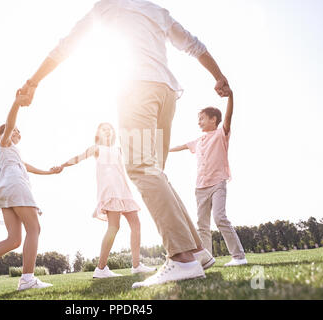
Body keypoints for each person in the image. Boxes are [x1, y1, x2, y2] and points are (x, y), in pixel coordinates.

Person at [20, 0, 231, 288]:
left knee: (141, 168)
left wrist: (33, 81)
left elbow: (66, 46)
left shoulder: (106, 7)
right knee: (155, 171)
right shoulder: (155, 10)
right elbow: (193, 45)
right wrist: (218, 76)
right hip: (166, 93)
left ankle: (182, 259)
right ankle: (196, 250)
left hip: (137, 90)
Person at [0, 89, 62, 297]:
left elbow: (29, 167)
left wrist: (50, 172)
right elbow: (9, 123)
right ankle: (27, 279)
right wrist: (16, 103)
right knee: (34, 228)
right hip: (15, 187)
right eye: (12, 130)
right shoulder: (4, 142)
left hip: (7, 193)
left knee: (14, 239)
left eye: (17, 131)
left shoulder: (11, 154)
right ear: (3, 134)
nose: (16, 132)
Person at [59, 122, 156, 278]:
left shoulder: (118, 149)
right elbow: (78, 158)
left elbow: (136, 156)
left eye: (110, 129)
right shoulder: (96, 148)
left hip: (124, 190)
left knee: (136, 224)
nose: (108, 131)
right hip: (110, 191)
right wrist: (62, 165)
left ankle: (136, 265)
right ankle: (101, 268)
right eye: (104, 129)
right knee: (114, 227)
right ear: (98, 133)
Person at [170, 92, 247, 267]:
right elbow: (180, 146)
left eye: (202, 119)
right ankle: (206, 260)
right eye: (198, 119)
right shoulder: (198, 140)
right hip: (200, 187)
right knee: (202, 225)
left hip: (218, 182)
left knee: (220, 217)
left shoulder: (221, 133)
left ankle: (239, 256)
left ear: (213, 119)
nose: (199, 122)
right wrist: (163, 149)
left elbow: (228, 116)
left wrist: (231, 98)